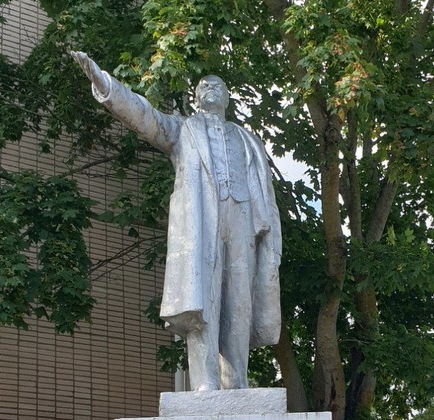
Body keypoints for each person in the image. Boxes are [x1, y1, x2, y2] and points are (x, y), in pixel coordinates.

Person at [70, 51, 282, 392]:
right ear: (196, 98)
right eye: (203, 85)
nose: (210, 88)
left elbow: (265, 196)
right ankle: (205, 382)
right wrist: (104, 83)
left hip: (242, 220)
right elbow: (144, 116)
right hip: (203, 223)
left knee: (239, 302)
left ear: (228, 98)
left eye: (218, 86)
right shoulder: (183, 130)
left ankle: (237, 378)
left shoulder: (247, 139)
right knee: (204, 302)